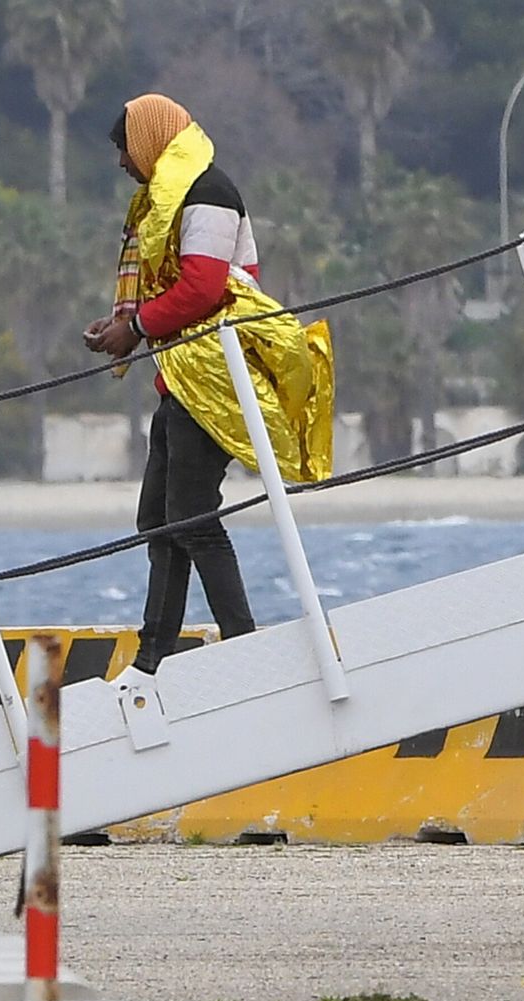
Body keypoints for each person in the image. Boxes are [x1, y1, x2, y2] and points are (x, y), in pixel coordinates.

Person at [84, 93, 334, 681]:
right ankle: (154, 654)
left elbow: (201, 288)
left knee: (191, 516)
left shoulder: (208, 194)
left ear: (148, 141)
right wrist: (123, 322)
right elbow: (182, 287)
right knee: (160, 517)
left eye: (125, 148)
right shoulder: (174, 196)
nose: (122, 162)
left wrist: (136, 326)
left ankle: (240, 645)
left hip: (218, 378)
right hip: (183, 375)